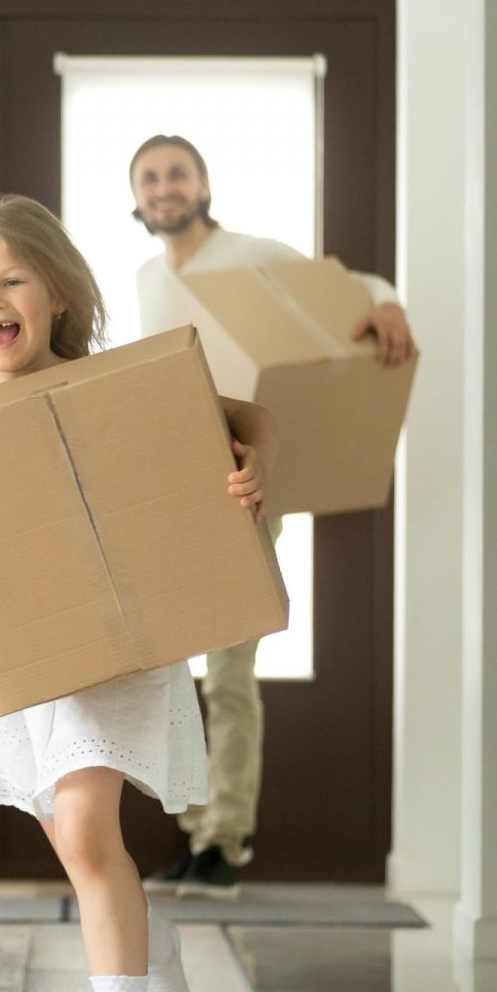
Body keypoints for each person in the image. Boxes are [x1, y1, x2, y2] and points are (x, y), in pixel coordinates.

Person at [0, 194, 279, 992]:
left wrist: (255, 464)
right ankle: (160, 945)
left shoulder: (108, 386)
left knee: (82, 831)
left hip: (114, 641)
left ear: (58, 293)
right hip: (14, 652)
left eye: (11, 280)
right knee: (84, 850)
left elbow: (252, 417)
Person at [128, 134, 418, 896]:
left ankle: (225, 841)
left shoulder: (249, 255)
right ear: (137, 197)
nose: (164, 187)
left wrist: (386, 303)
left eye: (177, 173)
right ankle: (196, 835)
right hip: (171, 492)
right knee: (173, 678)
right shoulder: (148, 278)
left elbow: (353, 284)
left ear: (203, 185)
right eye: (150, 178)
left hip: (242, 485)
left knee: (229, 669)